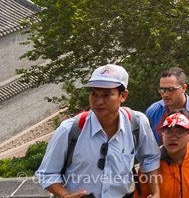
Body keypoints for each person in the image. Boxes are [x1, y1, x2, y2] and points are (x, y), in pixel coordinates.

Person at [36, 64, 161, 198]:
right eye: (94, 94)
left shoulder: (137, 123)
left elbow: (149, 158)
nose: (98, 101)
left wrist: (155, 192)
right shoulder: (70, 129)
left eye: (106, 95)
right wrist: (65, 195)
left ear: (123, 95)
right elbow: (47, 174)